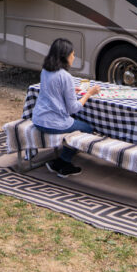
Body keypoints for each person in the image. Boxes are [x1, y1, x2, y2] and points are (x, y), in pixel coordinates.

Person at [31, 38, 100, 178]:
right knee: (87, 129)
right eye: (73, 54)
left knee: (76, 124)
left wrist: (70, 90)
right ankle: (63, 163)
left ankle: (58, 162)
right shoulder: (65, 76)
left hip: (38, 118)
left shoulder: (45, 70)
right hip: (52, 122)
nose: (74, 57)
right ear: (65, 56)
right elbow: (74, 108)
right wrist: (89, 93)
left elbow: (53, 90)